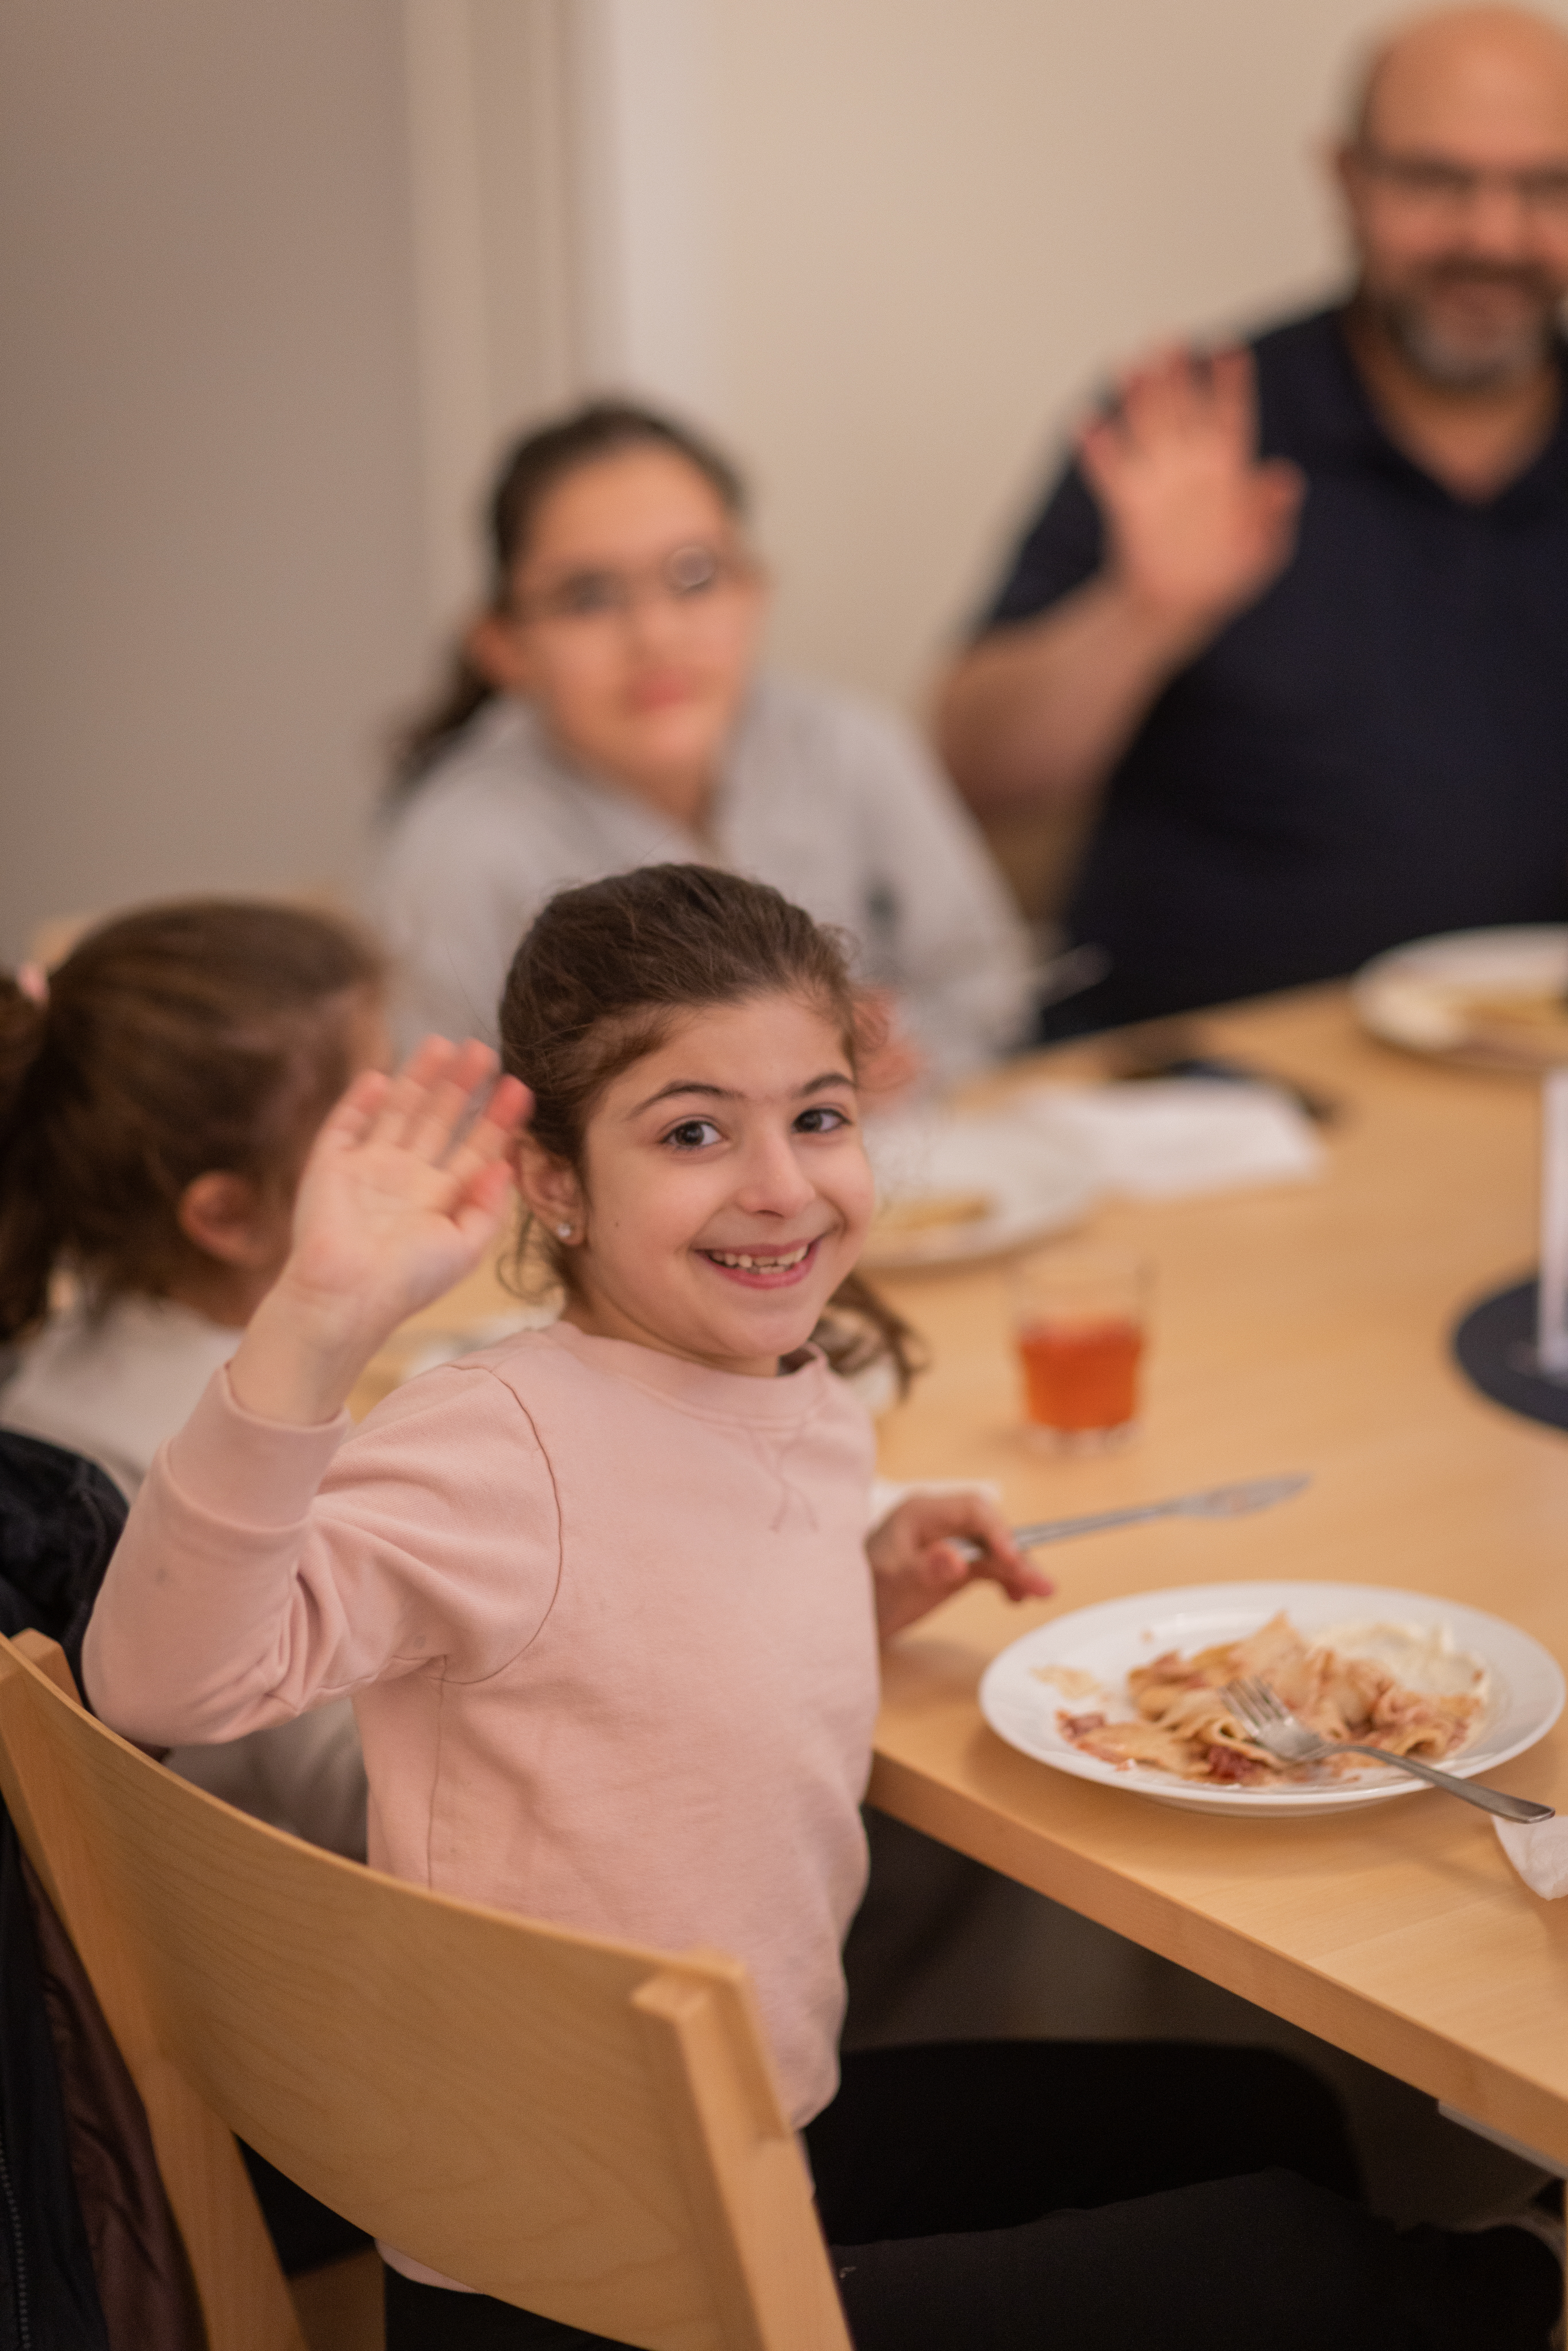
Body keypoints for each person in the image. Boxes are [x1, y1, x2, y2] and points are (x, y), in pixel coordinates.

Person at [82, 866, 1558, 2348]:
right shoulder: (490, 1449)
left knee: (1265, 2113)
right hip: (568, 2273)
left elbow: (637, 1660)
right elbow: (158, 1686)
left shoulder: (783, 1383)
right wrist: (318, 1320)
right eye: (692, 1132)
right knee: (1293, 2266)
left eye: (817, 1115)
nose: (779, 1184)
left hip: (736, 2154)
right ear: (551, 1180)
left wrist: (856, 1587)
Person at [937, 2, 1568, 1035]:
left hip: (1521, 1087)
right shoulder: (1193, 423)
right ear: (1347, 180)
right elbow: (974, 772)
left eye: (1546, 186)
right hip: (1199, 1094)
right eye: (1436, 180)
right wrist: (1140, 615)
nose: (1491, 235)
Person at [371, 400, 1031, 1090]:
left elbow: (985, 985)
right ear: (504, 645)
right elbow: (450, 1124)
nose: (656, 635)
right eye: (588, 596)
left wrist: (891, 1047)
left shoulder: (850, 745)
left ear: (755, 591)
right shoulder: (457, 847)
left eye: (695, 576)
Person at [0, 898, 387, 1859]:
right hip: (298, 1938)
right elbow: (368, 1809)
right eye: (370, 1126)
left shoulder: (53, 1358)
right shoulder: (245, 1471)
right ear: (226, 1215)